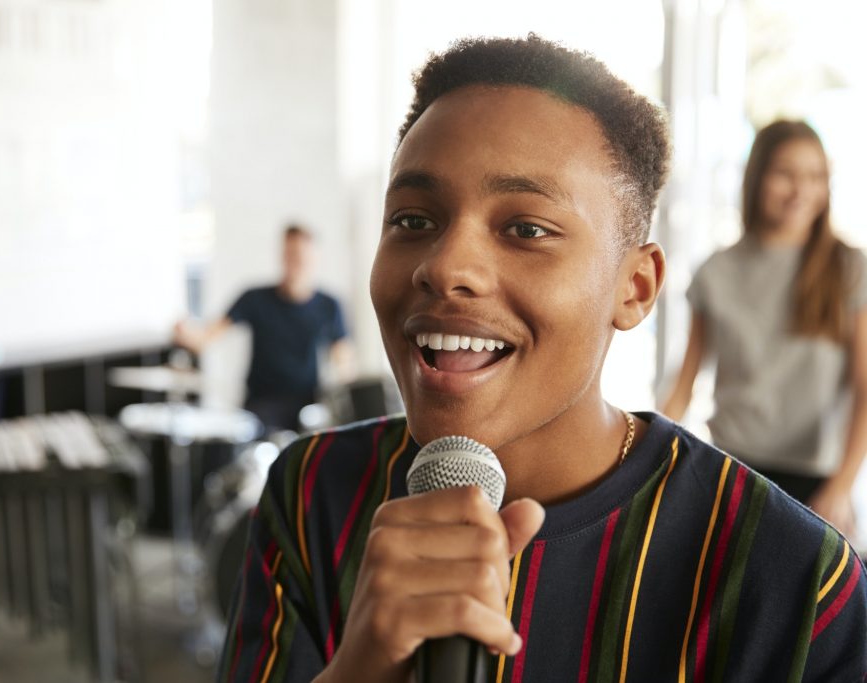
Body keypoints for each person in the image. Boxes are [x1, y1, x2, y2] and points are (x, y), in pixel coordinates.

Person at [216, 35, 867, 683]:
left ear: (634, 287)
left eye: (526, 229)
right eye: (413, 220)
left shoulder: (797, 580)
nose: (445, 266)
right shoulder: (312, 493)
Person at [661, 120, 867, 538]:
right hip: (731, 472)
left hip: (818, 485)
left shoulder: (849, 270)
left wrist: (841, 487)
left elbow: (865, 387)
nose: (800, 191)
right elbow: (684, 385)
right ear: (757, 178)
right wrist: (647, 466)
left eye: (815, 177)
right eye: (785, 174)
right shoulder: (715, 272)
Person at [173, 224, 353, 433]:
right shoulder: (254, 298)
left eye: (302, 256)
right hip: (261, 406)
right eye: (290, 254)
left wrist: (343, 392)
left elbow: (345, 361)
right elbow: (205, 339)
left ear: (314, 258)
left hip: (308, 405)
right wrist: (185, 334)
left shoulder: (330, 305)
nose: (296, 262)